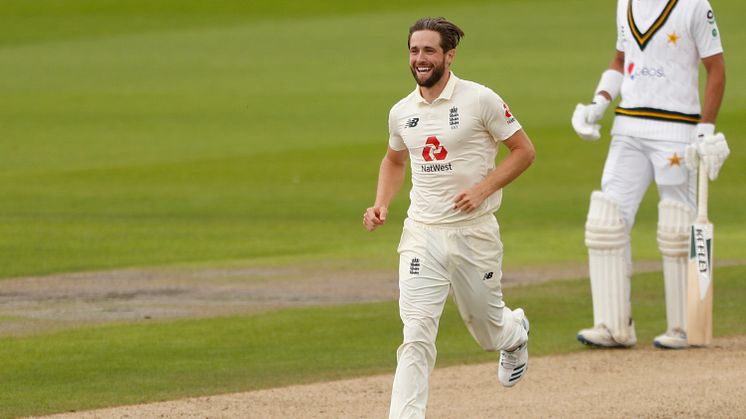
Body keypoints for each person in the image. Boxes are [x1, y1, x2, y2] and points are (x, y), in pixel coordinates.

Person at [363, 17, 536, 418]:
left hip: (473, 234)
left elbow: (524, 151)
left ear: (448, 55)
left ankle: (515, 335)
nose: (420, 59)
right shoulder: (402, 112)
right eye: (414, 50)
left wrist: (482, 190)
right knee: (416, 333)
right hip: (422, 234)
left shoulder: (480, 100)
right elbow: (393, 160)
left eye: (429, 50)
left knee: (488, 331)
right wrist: (381, 204)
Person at [571, 0, 730, 349]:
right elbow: (620, 59)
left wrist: (706, 127)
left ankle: (683, 326)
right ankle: (613, 326)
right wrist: (599, 102)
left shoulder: (694, 6)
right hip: (628, 127)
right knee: (606, 220)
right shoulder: (625, 3)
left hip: (677, 130)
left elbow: (716, 68)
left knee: (676, 224)